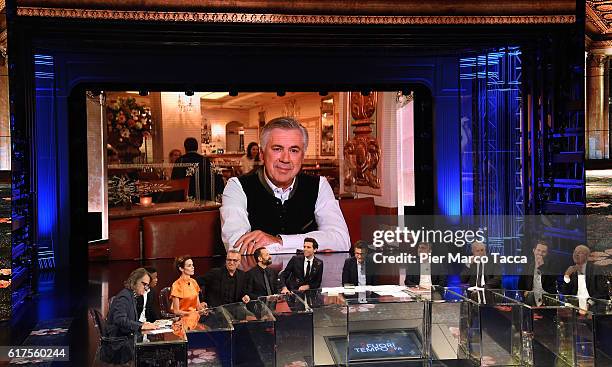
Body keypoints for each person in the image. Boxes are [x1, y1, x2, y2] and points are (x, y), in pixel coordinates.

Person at [221, 117, 350, 254]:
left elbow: (341, 240)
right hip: (259, 275)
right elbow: (237, 247)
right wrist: (314, 244)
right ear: (262, 154)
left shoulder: (319, 185)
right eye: (277, 149)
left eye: (294, 150)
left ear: (303, 156)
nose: (285, 159)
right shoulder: (237, 186)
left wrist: (280, 242)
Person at [102, 268, 157, 364]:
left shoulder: (131, 295)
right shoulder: (124, 297)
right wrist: (141, 326)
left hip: (124, 341)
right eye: (144, 284)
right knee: (153, 355)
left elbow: (128, 320)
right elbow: (120, 320)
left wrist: (142, 323)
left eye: (147, 285)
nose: (146, 288)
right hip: (118, 345)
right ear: (134, 281)